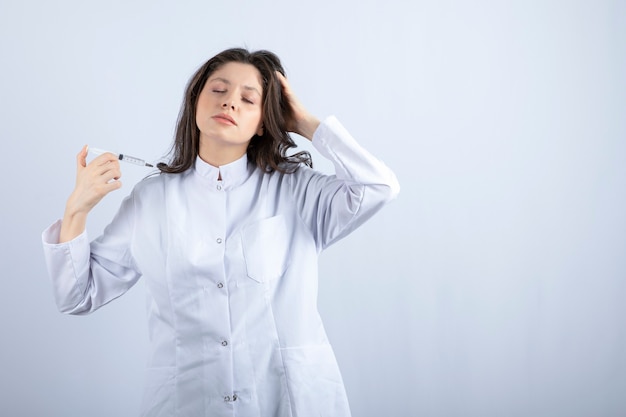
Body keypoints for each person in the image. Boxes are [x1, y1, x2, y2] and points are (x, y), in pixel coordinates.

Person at [42, 47, 399, 417]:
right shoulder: (151, 199)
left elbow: (379, 188)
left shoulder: (297, 191)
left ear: (263, 122)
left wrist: (306, 122)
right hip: (188, 402)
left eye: (248, 99)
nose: (230, 103)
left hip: (288, 401)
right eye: (218, 90)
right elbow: (76, 296)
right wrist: (77, 210)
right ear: (195, 101)